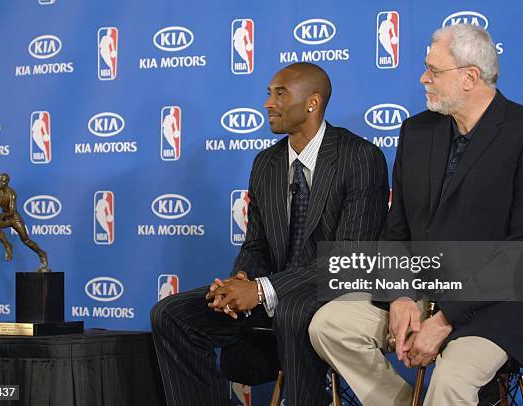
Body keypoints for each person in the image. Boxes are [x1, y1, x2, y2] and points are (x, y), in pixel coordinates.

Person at [309, 24, 523, 405]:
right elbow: (396, 232)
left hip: (501, 302)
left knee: (451, 379)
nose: (423, 78)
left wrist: (444, 319)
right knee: (328, 326)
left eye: (433, 70)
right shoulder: (417, 130)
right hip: (422, 292)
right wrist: (399, 297)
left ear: (470, 77)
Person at [150, 62, 389, 405]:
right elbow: (257, 243)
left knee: (293, 309)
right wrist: (241, 278)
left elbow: (348, 260)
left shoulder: (360, 157)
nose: (268, 103)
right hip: (273, 292)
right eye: (268, 93)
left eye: (280, 93)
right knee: (170, 316)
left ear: (312, 103)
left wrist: (260, 290)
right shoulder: (267, 163)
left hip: (333, 293)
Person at [0, 173, 49, 270]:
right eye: (0, 181)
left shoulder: (12, 193)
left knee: (26, 240)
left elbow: (12, 212)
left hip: (14, 218)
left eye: (3, 181)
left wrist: (1, 215)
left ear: (7, 182)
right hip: (5, 217)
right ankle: (7, 246)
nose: (1, 183)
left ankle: (42, 254)